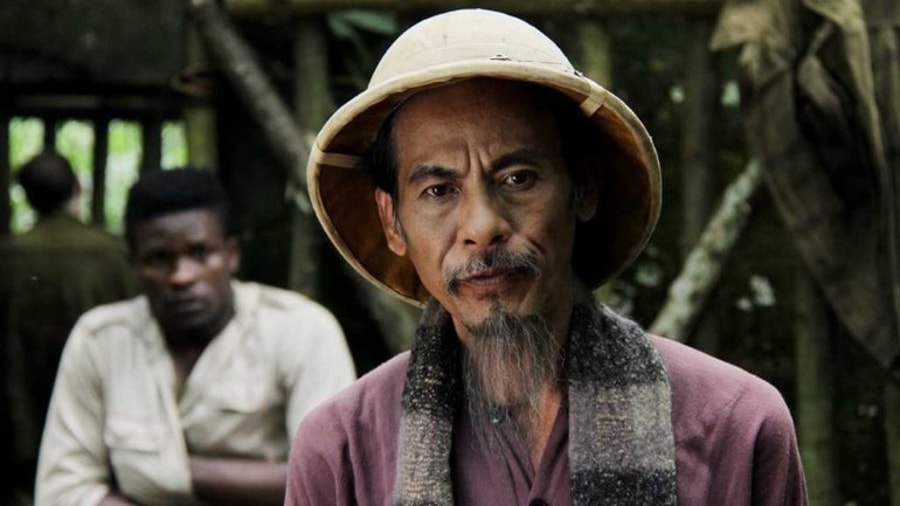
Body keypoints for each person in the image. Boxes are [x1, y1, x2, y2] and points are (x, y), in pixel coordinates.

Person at [285, 8, 808, 506]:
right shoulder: (341, 452)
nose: (482, 227)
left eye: (518, 179)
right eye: (439, 191)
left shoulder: (736, 427)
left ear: (583, 187)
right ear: (392, 221)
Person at [35, 167, 357, 505]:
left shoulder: (301, 331)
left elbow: (332, 483)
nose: (181, 276)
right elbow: (62, 493)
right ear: (133, 264)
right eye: (160, 259)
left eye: (200, 253)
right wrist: (271, 475)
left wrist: (166, 474)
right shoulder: (100, 341)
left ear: (231, 255)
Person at [0, 150, 136, 504]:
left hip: (22, 414)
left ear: (27, 196)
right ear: (77, 187)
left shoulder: (9, 256)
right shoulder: (116, 253)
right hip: (105, 407)